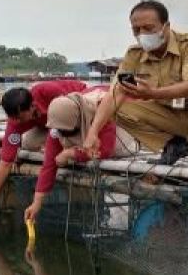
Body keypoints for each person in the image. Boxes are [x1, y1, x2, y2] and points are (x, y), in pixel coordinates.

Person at [84, 0, 188, 172]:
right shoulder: (134, 54)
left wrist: (152, 93)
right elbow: (115, 93)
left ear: (166, 26)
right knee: (113, 106)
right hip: (172, 116)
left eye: (148, 28)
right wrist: (93, 132)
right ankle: (175, 144)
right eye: (136, 30)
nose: (142, 34)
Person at [0, 79, 87, 224]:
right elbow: (5, 162)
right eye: (13, 119)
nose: (17, 122)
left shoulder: (47, 91)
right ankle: (55, 141)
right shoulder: (15, 122)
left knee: (65, 136)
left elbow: (80, 108)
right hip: (49, 125)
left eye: (20, 118)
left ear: (32, 106)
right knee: (28, 143)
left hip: (79, 106)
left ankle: (62, 142)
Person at [23, 89, 141, 223]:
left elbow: (105, 150)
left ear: (78, 120)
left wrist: (70, 153)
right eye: (60, 131)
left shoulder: (99, 110)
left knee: (122, 147)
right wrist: (36, 203)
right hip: (88, 142)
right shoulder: (58, 124)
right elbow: (49, 165)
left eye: (67, 131)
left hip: (122, 136)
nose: (62, 134)